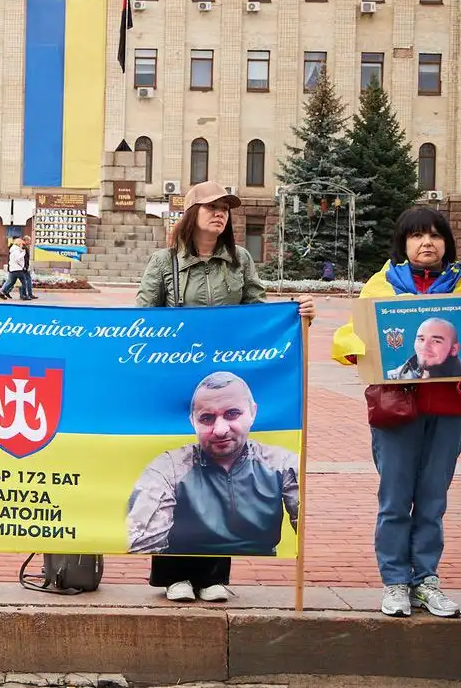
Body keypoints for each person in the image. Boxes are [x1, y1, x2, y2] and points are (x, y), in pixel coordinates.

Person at [136, 180, 314, 603]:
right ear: (191, 213)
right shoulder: (165, 263)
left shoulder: (239, 260)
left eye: (226, 209)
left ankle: (213, 573)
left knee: (222, 472)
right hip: (178, 385)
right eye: (212, 207)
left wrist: (296, 315)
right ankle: (173, 574)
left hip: (224, 385)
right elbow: (140, 316)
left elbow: (259, 312)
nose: (220, 214)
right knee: (184, 476)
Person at [332, 206, 461, 619]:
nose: (427, 243)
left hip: (448, 410)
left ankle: (426, 580)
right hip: (396, 410)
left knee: (432, 500)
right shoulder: (382, 284)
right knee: (394, 499)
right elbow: (352, 335)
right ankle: (394, 582)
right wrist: (357, 352)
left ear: (447, 242)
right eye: (417, 236)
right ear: (403, 243)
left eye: (435, 235)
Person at [127, 373, 299, 557]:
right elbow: (143, 545)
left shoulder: (281, 464)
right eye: (207, 418)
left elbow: (310, 529)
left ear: (253, 413)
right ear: (192, 421)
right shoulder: (168, 468)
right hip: (182, 571)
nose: (220, 430)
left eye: (232, 414)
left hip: (256, 571)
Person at [385, 318, 461, 381]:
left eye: (436, 341)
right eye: (421, 339)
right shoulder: (393, 378)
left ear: (454, 349)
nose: (425, 346)